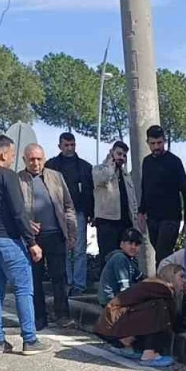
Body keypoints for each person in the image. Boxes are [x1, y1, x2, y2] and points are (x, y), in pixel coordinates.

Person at [0, 134, 53, 356]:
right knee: (23, 289)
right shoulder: (8, 176)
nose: (12, 159)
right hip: (9, 241)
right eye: (11, 155)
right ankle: (29, 340)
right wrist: (31, 242)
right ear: (3, 154)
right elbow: (18, 211)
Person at [18, 143, 77, 329]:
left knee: (59, 277)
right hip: (32, 239)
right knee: (35, 279)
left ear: (44, 159)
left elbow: (68, 206)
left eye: (39, 159)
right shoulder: (17, 180)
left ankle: (62, 315)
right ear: (24, 160)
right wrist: (26, 224)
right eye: (31, 159)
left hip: (56, 235)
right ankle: (39, 318)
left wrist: (72, 232)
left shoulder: (56, 177)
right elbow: (14, 211)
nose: (35, 163)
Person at [94, 263, 186, 368]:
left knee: (158, 310)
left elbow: (176, 322)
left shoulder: (153, 285)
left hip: (108, 326)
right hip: (113, 326)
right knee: (159, 307)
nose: (185, 281)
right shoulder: (161, 289)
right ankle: (149, 354)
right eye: (182, 276)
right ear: (170, 275)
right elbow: (172, 320)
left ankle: (125, 343)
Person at [46, 132, 95, 295]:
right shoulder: (50, 166)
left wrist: (91, 212)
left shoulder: (85, 167)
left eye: (72, 144)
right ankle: (65, 282)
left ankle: (79, 285)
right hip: (57, 213)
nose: (69, 148)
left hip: (79, 211)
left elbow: (90, 192)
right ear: (59, 146)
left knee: (79, 250)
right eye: (66, 145)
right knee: (64, 249)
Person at [139, 125, 186, 263]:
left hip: (171, 218)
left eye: (159, 143)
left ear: (164, 141)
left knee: (162, 255)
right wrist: (141, 212)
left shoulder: (174, 162)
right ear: (148, 143)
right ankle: (170, 275)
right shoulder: (146, 162)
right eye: (153, 143)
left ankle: (162, 277)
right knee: (161, 254)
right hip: (152, 218)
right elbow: (145, 188)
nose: (156, 147)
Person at [92, 141, 140, 261]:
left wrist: (134, 222)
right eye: (119, 154)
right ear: (111, 152)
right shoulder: (99, 169)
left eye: (124, 155)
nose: (122, 158)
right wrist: (110, 165)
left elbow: (132, 199)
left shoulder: (126, 175)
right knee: (108, 258)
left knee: (126, 258)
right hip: (107, 222)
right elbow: (102, 178)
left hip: (125, 223)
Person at [98, 227, 145, 306]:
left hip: (118, 297)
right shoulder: (120, 258)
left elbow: (141, 277)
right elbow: (124, 289)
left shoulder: (131, 260)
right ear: (121, 244)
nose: (133, 247)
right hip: (110, 300)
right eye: (130, 243)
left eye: (137, 244)